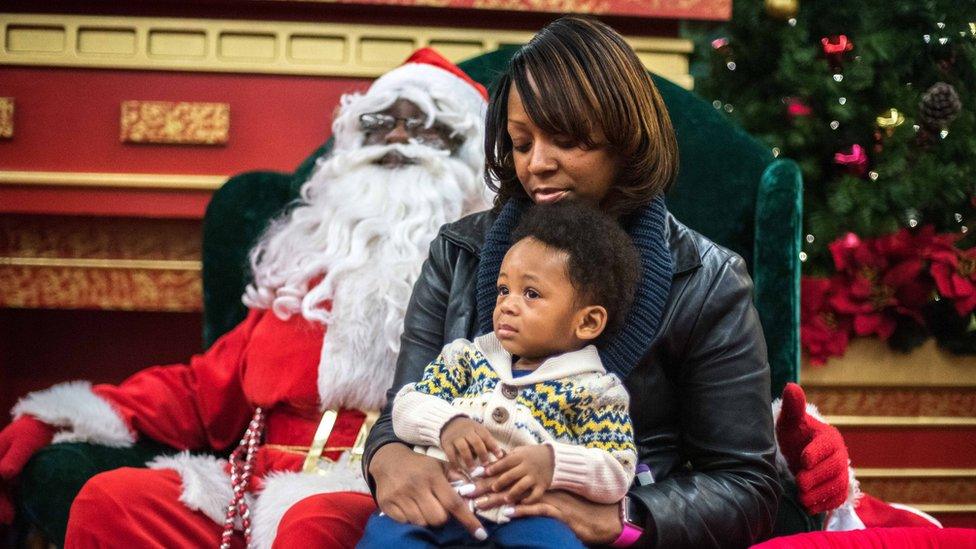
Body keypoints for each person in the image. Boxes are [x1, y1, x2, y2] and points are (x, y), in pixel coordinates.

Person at [0, 48, 491, 549]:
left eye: (426, 127)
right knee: (111, 499)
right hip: (248, 493)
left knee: (311, 522)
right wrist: (67, 411)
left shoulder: (491, 280)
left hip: (376, 490)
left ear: (471, 156)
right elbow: (202, 389)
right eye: (379, 124)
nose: (397, 139)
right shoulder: (306, 279)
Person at [363, 17, 783, 548]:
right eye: (520, 142)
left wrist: (621, 518)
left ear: (626, 140)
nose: (537, 164)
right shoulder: (459, 251)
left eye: (565, 140)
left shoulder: (708, 280)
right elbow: (405, 404)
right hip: (455, 509)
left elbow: (746, 485)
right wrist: (390, 462)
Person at [358, 201, 641, 548]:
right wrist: (448, 423)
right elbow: (406, 406)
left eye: (531, 294)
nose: (507, 303)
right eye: (503, 290)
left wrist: (553, 462)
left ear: (587, 321)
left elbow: (616, 469)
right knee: (389, 539)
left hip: (525, 514)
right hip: (440, 499)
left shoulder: (596, 391)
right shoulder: (467, 358)